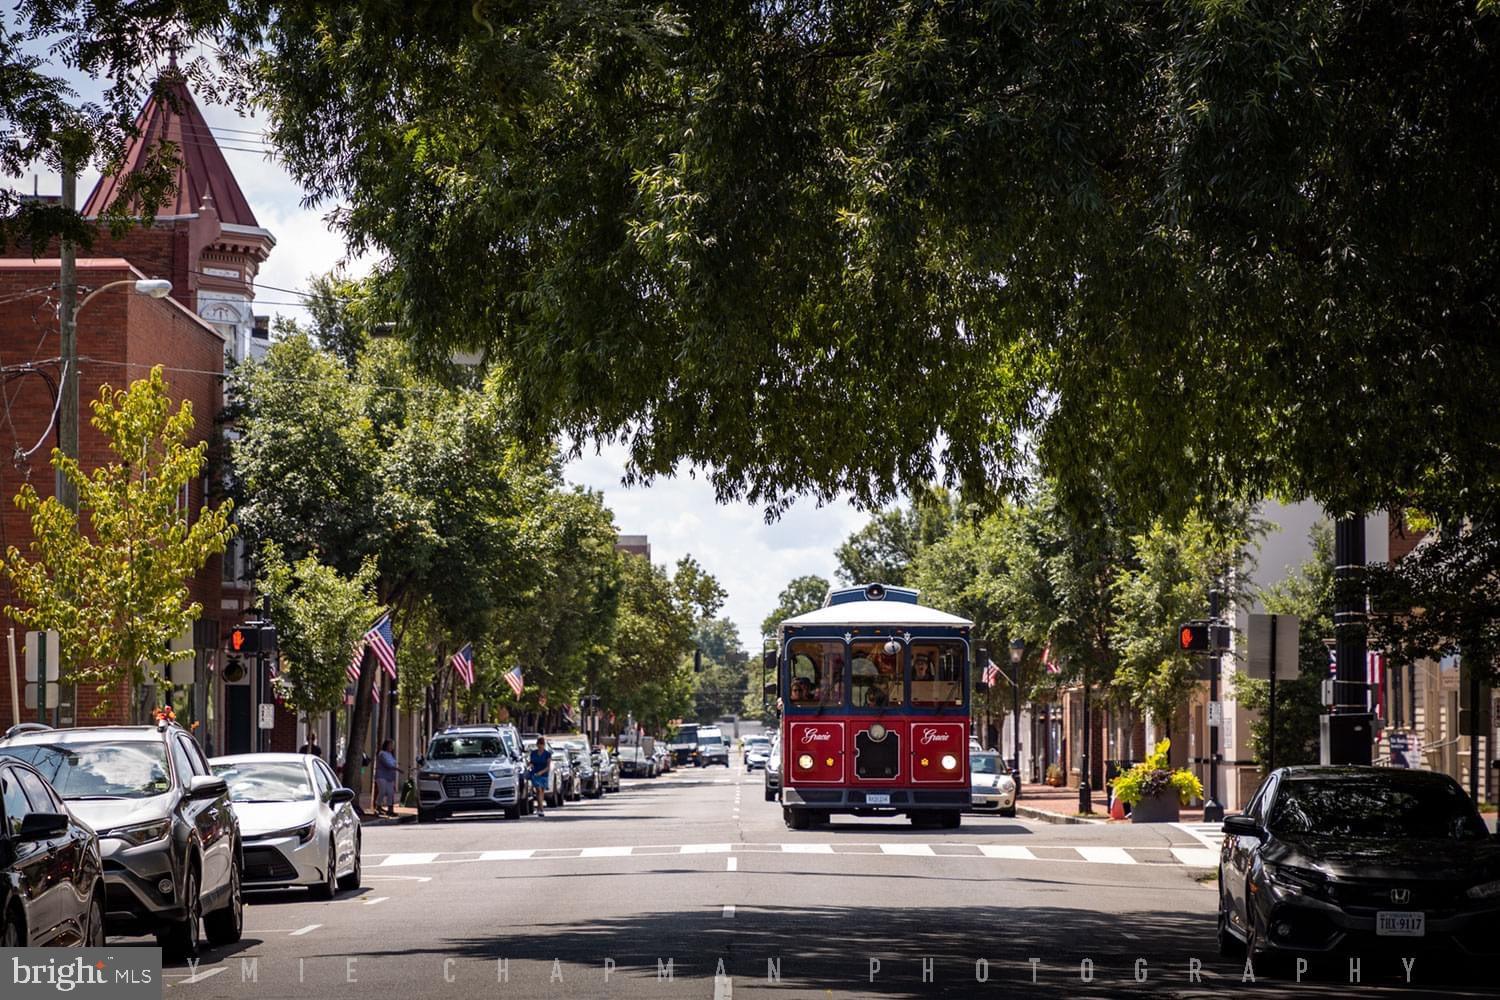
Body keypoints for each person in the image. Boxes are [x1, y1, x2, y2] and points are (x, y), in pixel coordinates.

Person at [374, 739, 400, 817]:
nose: (391, 747)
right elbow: (387, 764)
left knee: (390, 793)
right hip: (381, 776)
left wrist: (397, 765)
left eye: (392, 746)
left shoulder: (390, 755)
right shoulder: (382, 754)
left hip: (389, 777)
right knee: (382, 791)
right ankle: (378, 806)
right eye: (390, 745)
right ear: (386, 745)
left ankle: (390, 810)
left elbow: (393, 763)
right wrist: (396, 768)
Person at [528, 737, 553, 817]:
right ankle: (541, 809)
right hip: (535, 774)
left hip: (543, 774)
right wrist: (530, 766)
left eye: (542, 744)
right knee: (538, 790)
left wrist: (541, 772)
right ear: (537, 744)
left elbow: (548, 767)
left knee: (541, 791)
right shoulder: (533, 753)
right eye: (539, 744)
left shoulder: (547, 754)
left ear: (544, 745)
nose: (540, 746)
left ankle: (539, 808)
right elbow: (531, 763)